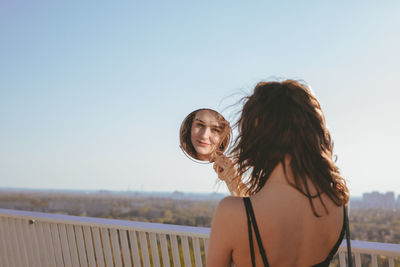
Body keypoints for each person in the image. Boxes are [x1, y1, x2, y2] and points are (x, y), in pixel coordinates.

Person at [207, 80, 350, 267]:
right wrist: (233, 181)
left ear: (257, 128)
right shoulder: (338, 201)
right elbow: (272, 213)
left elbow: (258, 221)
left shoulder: (230, 212)